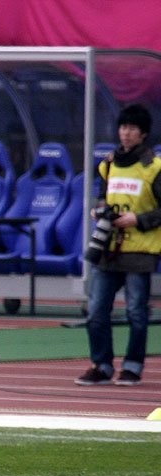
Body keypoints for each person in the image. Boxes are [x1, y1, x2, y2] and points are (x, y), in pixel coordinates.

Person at [75, 103, 161, 387]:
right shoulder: (109, 164)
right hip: (108, 248)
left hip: (140, 250)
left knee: (136, 312)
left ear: (143, 133)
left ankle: (132, 366)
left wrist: (138, 219)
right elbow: (104, 196)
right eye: (123, 127)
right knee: (97, 310)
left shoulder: (154, 167)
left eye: (132, 128)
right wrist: (100, 210)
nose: (126, 133)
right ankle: (101, 365)